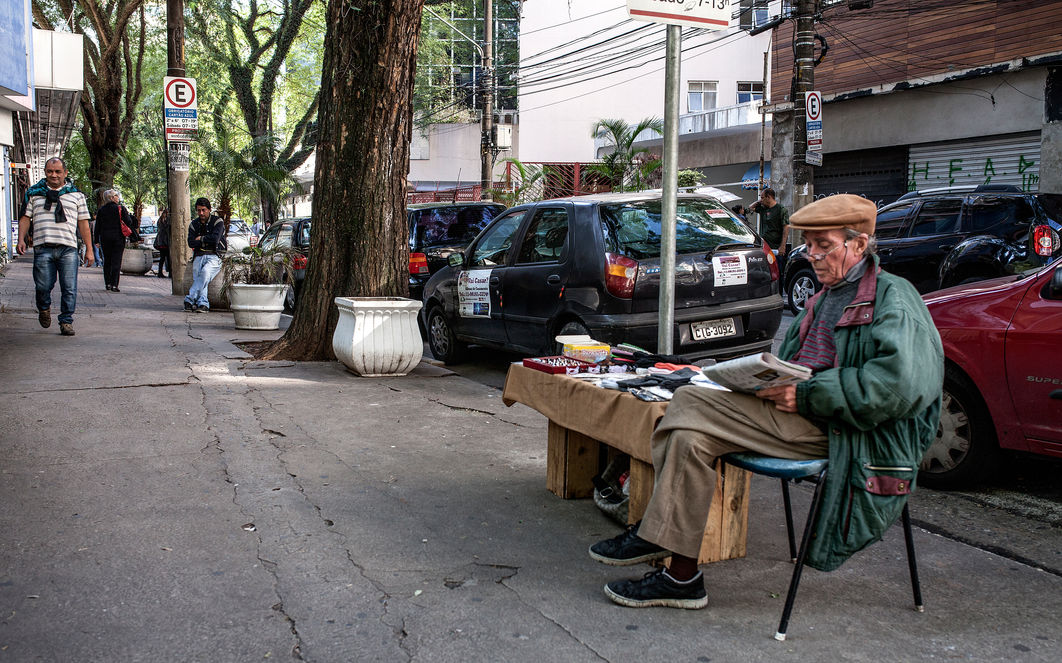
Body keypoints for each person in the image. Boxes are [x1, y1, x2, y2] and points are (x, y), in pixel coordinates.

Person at [590, 194, 944, 609]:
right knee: (690, 438)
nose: (812, 255)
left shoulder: (893, 297)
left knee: (688, 403)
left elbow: (899, 387)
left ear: (860, 245)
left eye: (823, 245)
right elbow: (795, 364)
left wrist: (809, 392)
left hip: (846, 431)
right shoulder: (825, 295)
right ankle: (682, 579)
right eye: (808, 245)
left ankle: (653, 533)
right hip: (797, 413)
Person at [16, 157, 94, 336]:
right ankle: (44, 308)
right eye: (50, 171)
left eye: (58, 171)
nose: (54, 175)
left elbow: (83, 223)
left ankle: (66, 321)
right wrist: (21, 239)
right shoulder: (34, 193)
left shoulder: (77, 195)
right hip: (43, 247)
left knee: (69, 287)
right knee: (42, 286)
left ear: (65, 173)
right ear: (45, 172)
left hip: (68, 248)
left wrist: (89, 249)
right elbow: (25, 218)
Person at [184, 197, 226, 312]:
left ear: (209, 209)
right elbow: (190, 242)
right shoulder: (194, 224)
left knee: (205, 272)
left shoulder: (218, 222)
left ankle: (189, 298)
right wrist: (205, 240)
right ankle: (203, 304)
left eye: (203, 210)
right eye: (199, 210)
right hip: (198, 255)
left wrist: (201, 238)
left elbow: (215, 239)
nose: (201, 213)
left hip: (215, 255)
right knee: (199, 275)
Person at [93, 189, 133, 292]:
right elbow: (129, 222)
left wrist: (96, 240)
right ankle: (115, 284)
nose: (117, 197)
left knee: (107, 261)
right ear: (111, 198)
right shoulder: (120, 209)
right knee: (116, 261)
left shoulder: (101, 210)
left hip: (105, 238)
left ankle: (108, 284)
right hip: (118, 238)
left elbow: (98, 226)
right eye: (116, 195)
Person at [748, 187, 790, 267]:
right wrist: (759, 201)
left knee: (776, 270)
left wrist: (783, 246)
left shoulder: (781, 209)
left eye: (762, 197)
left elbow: (786, 227)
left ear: (769, 197)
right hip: (764, 246)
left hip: (776, 248)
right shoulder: (763, 209)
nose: (761, 200)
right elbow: (751, 207)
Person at [155, 207, 171, 278]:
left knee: (162, 258)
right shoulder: (167, 221)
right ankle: (169, 273)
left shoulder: (160, 220)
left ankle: (160, 272)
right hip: (165, 242)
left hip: (161, 243)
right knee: (168, 258)